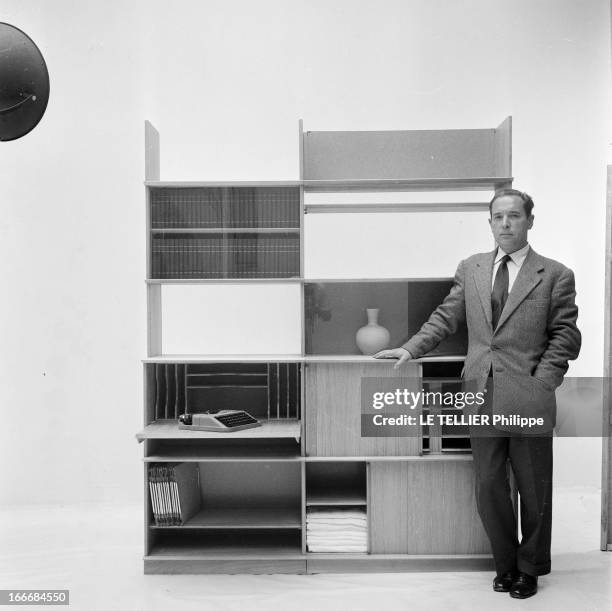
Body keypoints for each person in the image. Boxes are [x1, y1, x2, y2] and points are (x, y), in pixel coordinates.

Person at [374, 188, 581, 599]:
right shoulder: (471, 268)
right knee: (488, 484)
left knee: (533, 487)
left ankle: (530, 568)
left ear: (530, 221)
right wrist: (411, 347)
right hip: (480, 391)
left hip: (530, 394)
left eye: (514, 216)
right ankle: (505, 564)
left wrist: (543, 381)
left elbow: (566, 335)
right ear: (489, 223)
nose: (505, 224)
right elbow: (446, 317)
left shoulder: (555, 274)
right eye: (498, 217)